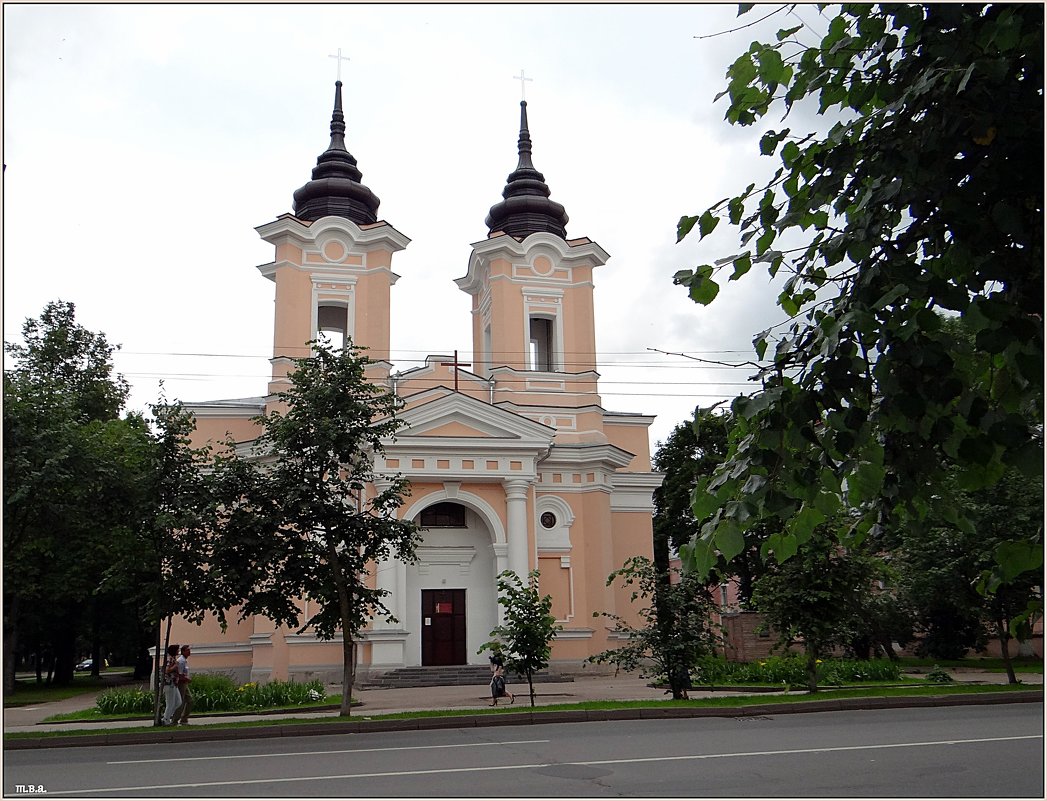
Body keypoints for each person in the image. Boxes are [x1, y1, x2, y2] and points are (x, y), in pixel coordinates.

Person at [161, 644, 182, 726]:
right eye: (177, 650)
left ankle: (167, 716)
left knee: (178, 702)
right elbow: (167, 670)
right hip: (169, 684)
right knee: (170, 703)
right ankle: (166, 720)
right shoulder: (170, 659)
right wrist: (175, 666)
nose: (178, 651)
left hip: (174, 684)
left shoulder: (173, 659)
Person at [174, 644, 193, 725]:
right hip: (181, 684)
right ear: (183, 651)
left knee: (190, 700)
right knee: (181, 702)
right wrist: (187, 679)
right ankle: (175, 720)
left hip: (184, 684)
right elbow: (179, 674)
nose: (189, 652)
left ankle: (184, 718)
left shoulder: (184, 660)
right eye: (188, 650)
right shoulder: (181, 661)